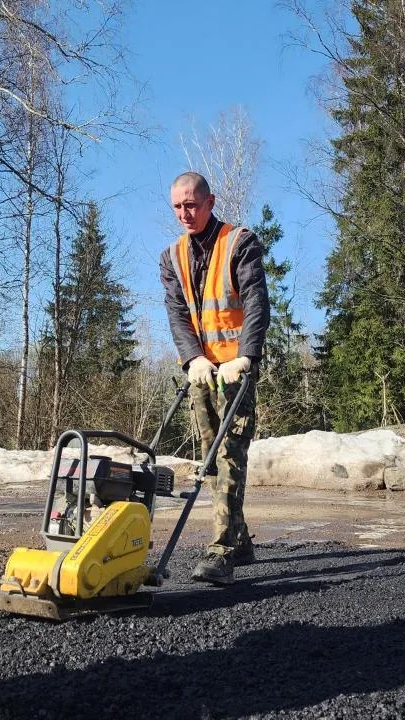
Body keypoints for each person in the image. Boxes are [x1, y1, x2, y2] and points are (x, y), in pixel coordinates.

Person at [159, 171, 269, 585]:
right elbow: (177, 313)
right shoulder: (172, 256)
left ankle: (221, 551)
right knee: (209, 458)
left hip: (235, 371)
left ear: (209, 202)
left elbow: (257, 302)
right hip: (203, 373)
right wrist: (192, 360)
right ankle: (239, 540)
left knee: (228, 454)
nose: (184, 213)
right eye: (177, 206)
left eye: (191, 205)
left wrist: (245, 357)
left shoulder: (239, 242)